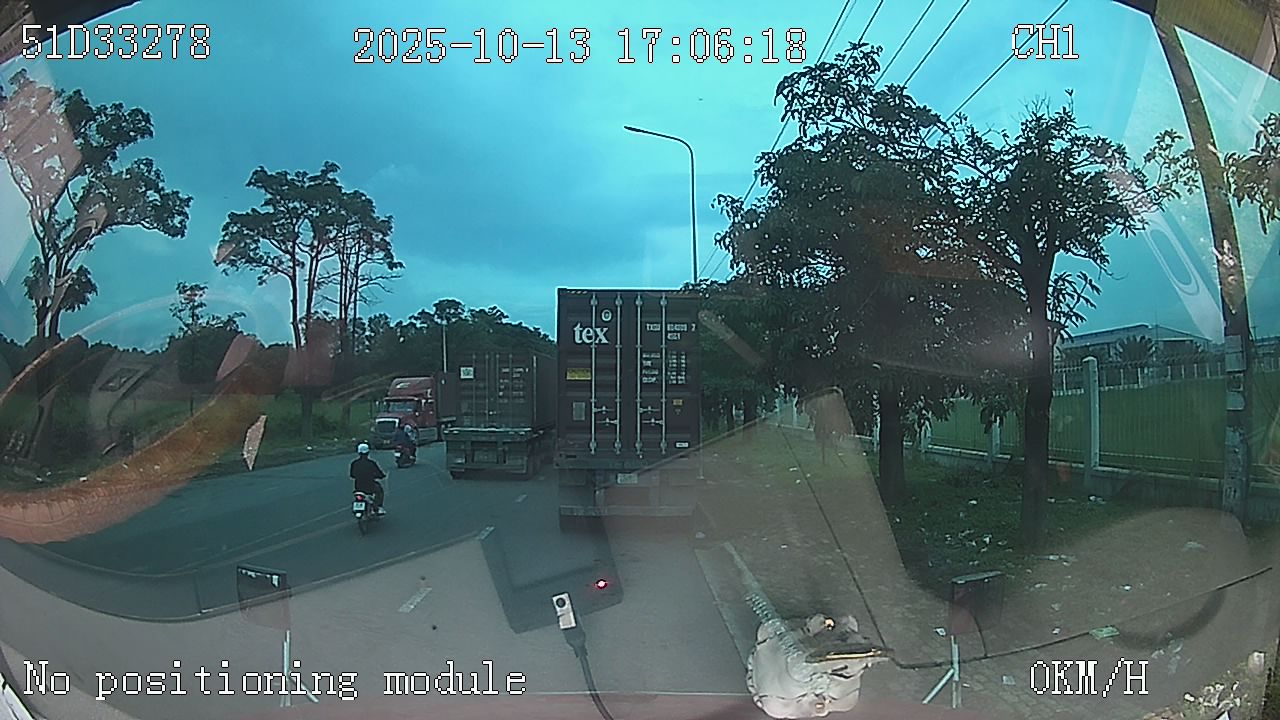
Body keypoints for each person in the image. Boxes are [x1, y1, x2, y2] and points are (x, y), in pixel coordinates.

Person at [350, 443, 386, 514]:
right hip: (370, 485)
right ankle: (379, 507)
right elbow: (379, 473)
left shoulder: (354, 463)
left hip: (358, 486)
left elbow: (352, 475)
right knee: (379, 491)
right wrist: (381, 476)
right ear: (368, 452)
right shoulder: (371, 463)